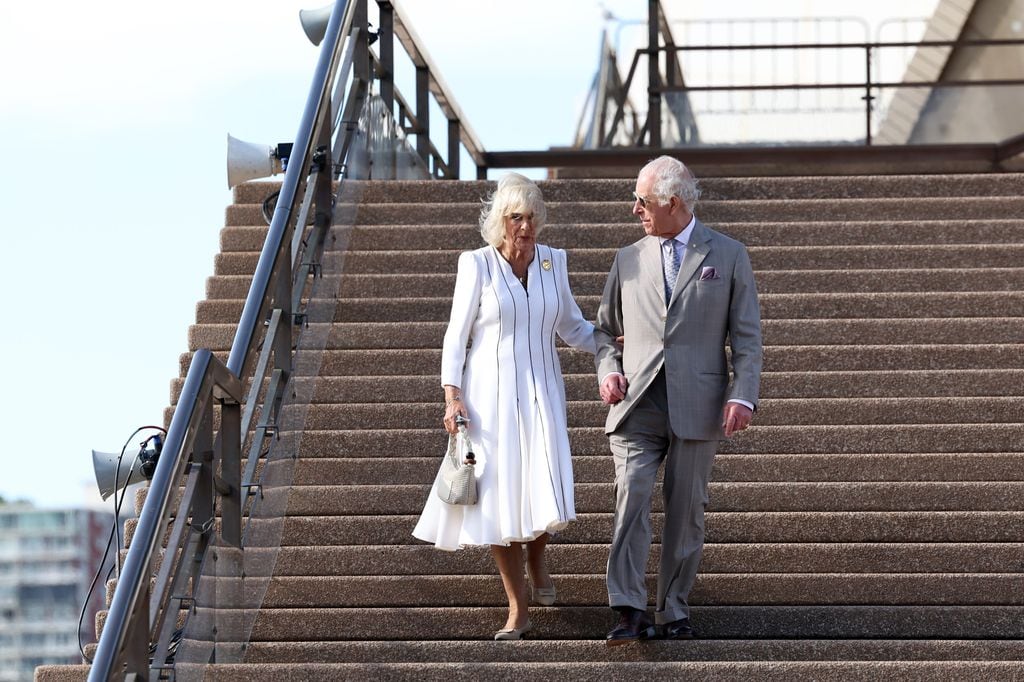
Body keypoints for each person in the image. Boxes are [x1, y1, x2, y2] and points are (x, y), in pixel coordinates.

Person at [412, 173, 596, 640]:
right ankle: (518, 607)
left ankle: (537, 559)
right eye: (516, 217)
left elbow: (572, 327)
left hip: (542, 391)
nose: (525, 226)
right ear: (500, 221)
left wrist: (616, 344)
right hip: (488, 397)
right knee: (497, 496)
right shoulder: (476, 264)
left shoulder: (555, 263)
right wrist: (452, 397)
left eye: (532, 217)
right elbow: (457, 336)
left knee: (542, 484)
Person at [594, 155, 763, 645]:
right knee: (632, 499)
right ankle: (627, 609)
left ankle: (673, 610)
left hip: (700, 402)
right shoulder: (628, 258)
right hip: (637, 403)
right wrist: (609, 371)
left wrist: (743, 395)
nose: (635, 211)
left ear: (672, 203)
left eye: (642, 202)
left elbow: (747, 337)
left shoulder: (728, 255)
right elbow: (606, 331)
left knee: (687, 509)